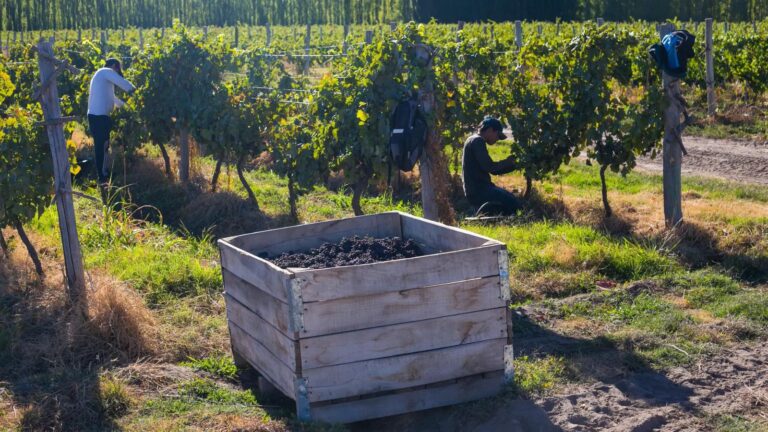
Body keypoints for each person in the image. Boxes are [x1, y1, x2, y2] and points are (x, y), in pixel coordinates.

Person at [87, 58, 135, 185]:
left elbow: (112, 98)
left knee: (104, 145)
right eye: (118, 69)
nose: (118, 72)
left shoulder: (102, 78)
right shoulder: (105, 71)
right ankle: (102, 178)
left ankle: (104, 174)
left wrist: (126, 106)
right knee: (101, 146)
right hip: (98, 117)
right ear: (114, 66)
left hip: (101, 116)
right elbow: (121, 82)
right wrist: (134, 91)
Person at [461, 116, 522, 215]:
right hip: (479, 191)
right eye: (498, 135)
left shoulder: (473, 140)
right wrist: (509, 161)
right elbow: (490, 167)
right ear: (490, 130)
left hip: (477, 190)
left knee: (510, 199)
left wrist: (515, 165)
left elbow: (494, 170)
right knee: (513, 203)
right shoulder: (477, 141)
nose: (498, 139)